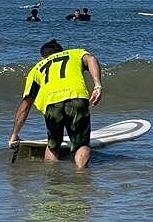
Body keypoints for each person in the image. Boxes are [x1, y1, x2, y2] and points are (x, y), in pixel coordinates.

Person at [8, 39, 104, 168]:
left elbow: (25, 105)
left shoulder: (37, 68)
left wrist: (14, 135)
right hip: (76, 98)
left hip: (52, 104)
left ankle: (52, 177)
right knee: (81, 144)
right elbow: (91, 59)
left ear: (42, 57)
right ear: (61, 51)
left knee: (53, 145)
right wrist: (97, 85)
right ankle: (81, 176)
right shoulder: (75, 53)